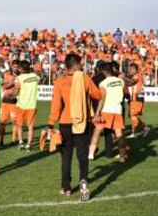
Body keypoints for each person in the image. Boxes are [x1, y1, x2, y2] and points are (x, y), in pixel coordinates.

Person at [48, 53, 101, 201]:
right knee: (82, 156)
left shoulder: (60, 81)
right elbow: (97, 95)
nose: (83, 64)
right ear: (76, 64)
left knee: (66, 157)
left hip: (65, 122)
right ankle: (83, 183)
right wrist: (103, 90)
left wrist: (51, 123)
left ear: (66, 65)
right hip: (81, 122)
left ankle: (66, 188)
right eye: (81, 62)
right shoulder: (85, 78)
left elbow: (56, 106)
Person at [88, 62, 128, 162]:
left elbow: (101, 99)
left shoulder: (103, 83)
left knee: (97, 131)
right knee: (119, 133)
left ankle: (91, 153)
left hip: (107, 110)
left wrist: (97, 113)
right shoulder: (120, 81)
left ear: (103, 71)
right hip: (118, 110)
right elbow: (125, 93)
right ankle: (122, 155)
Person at [14, 60, 39, 152]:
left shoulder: (19, 78)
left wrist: (10, 94)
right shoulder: (35, 76)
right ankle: (28, 144)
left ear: (20, 68)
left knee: (19, 124)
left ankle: (21, 142)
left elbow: (16, 91)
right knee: (30, 126)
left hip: (21, 104)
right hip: (32, 105)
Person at [91, 60, 114, 157]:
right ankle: (109, 152)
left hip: (97, 105)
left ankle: (93, 150)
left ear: (97, 68)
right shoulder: (110, 78)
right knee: (108, 130)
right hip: (109, 105)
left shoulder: (94, 78)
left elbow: (91, 93)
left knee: (95, 130)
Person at [125, 63, 150, 138]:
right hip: (134, 98)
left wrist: (124, 78)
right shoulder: (134, 76)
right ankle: (140, 130)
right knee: (133, 115)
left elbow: (132, 82)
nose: (129, 71)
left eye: (130, 69)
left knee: (133, 116)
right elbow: (130, 83)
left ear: (134, 69)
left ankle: (141, 129)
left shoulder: (137, 75)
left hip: (137, 97)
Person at [0, 60, 20, 147]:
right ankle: (1, 141)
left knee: (15, 122)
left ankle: (14, 140)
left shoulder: (20, 77)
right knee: (2, 122)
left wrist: (15, 91)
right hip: (5, 103)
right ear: (11, 66)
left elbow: (18, 89)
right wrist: (12, 82)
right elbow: (4, 86)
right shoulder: (7, 75)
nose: (15, 68)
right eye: (14, 66)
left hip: (14, 103)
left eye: (17, 67)